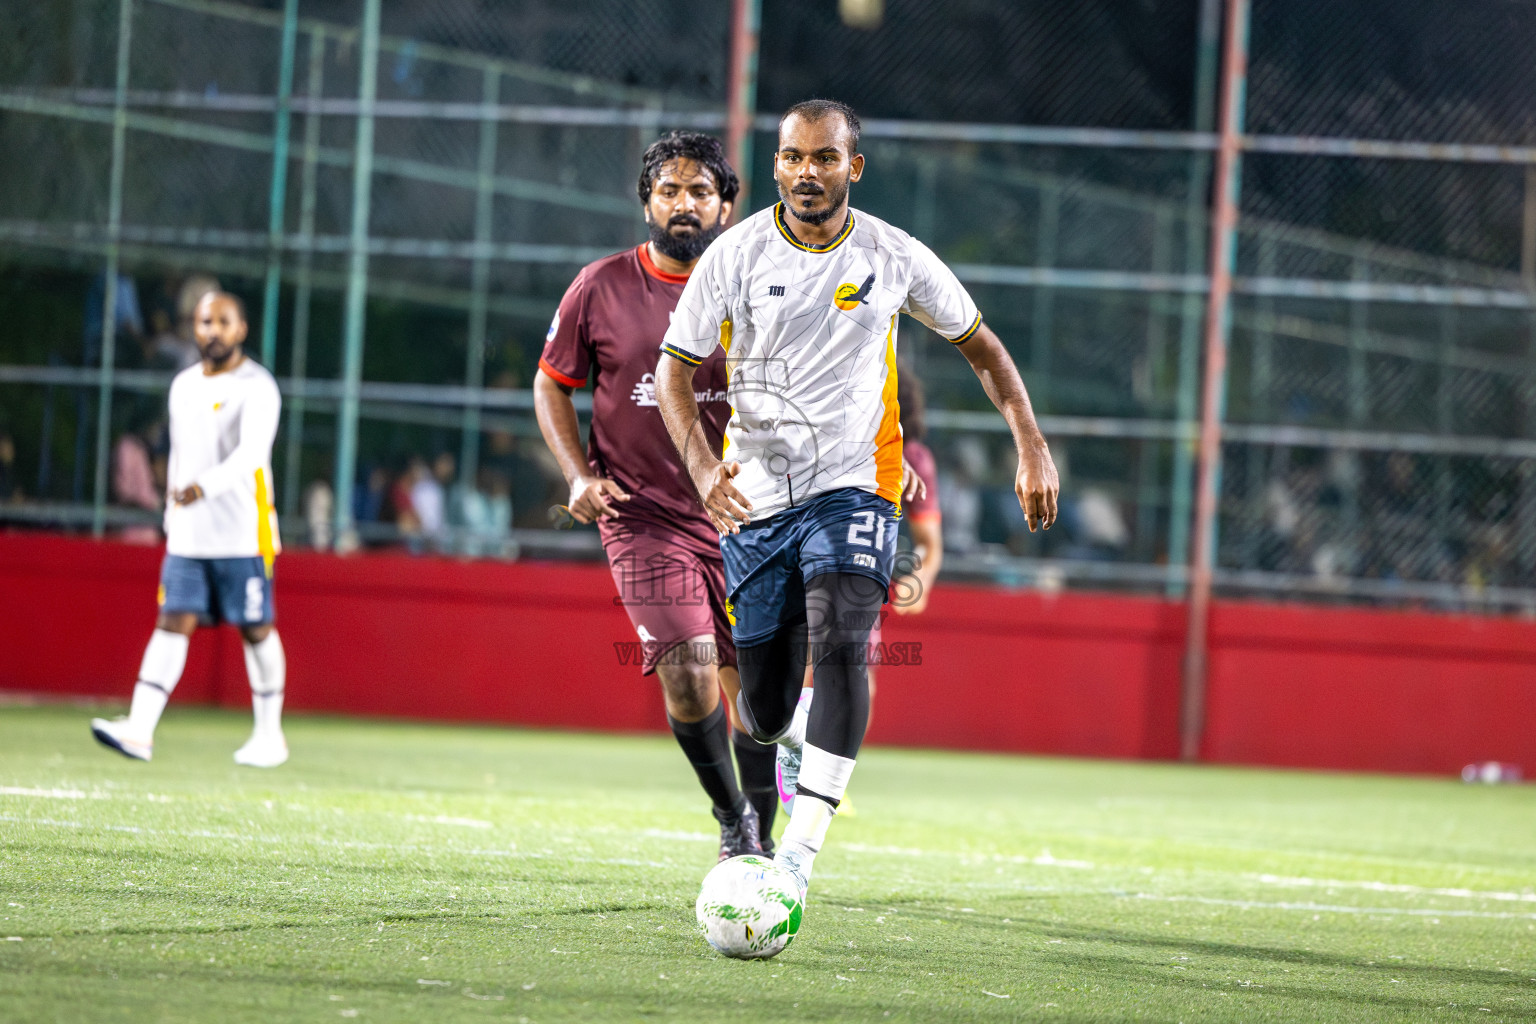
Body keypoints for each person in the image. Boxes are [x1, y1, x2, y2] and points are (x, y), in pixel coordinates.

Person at [655, 99, 1058, 903]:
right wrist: (703, 470)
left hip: (858, 486)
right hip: (758, 503)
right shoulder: (732, 257)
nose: (809, 172)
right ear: (776, 166)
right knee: (764, 711)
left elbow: (980, 345)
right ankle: (794, 735)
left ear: (853, 168)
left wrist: (1031, 442)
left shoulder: (894, 255)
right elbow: (674, 371)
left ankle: (796, 860)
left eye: (826, 158)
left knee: (844, 643)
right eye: (795, 157)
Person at [533, 130, 783, 863]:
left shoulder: (761, 289)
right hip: (643, 519)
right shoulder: (601, 285)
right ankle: (732, 816)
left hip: (748, 518)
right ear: (646, 201)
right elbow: (553, 380)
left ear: (726, 206)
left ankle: (762, 838)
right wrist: (578, 473)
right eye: (669, 190)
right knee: (687, 661)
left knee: (763, 696)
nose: (684, 203)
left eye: (700, 191)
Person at [90, 291, 289, 768]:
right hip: (190, 536)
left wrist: (202, 488)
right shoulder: (182, 386)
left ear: (241, 329)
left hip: (244, 531)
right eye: (205, 321)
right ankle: (139, 731)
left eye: (223, 321)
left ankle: (269, 736)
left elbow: (251, 455)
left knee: (256, 629)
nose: (213, 330)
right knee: (172, 621)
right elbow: (180, 456)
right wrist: (172, 514)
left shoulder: (257, 386)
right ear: (194, 328)